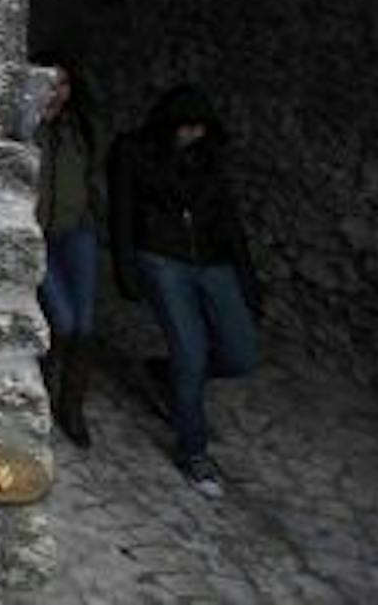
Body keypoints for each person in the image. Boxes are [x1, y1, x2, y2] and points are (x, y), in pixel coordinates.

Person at [111, 84, 261, 499]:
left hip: (213, 262)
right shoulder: (134, 152)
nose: (193, 134)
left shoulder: (209, 158)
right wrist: (125, 270)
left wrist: (248, 281)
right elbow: (121, 211)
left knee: (241, 354)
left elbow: (228, 220)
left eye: (200, 128)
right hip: (163, 258)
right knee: (191, 353)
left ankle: (165, 373)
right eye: (186, 127)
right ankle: (194, 451)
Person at [33, 61, 103, 447]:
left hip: (78, 231)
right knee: (63, 319)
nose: (56, 90)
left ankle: (72, 408)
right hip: (40, 235)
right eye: (49, 82)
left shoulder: (81, 129)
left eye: (63, 83)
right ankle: (40, 396)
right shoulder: (28, 128)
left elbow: (90, 176)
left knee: (86, 323)